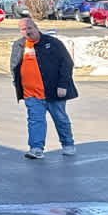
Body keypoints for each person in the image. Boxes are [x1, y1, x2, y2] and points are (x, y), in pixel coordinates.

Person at [9, 16, 77, 159]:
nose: (27, 31)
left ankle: (68, 144)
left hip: (53, 91)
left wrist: (63, 85)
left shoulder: (52, 43)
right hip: (31, 93)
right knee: (35, 120)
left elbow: (66, 64)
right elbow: (14, 66)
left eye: (29, 28)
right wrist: (17, 85)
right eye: (23, 29)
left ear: (36, 27)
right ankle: (36, 148)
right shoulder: (19, 45)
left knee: (60, 119)